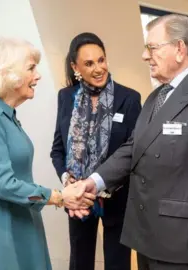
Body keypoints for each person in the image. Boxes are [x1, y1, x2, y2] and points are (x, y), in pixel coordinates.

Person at [75, 14, 188, 269]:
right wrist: (94, 181)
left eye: (152, 48)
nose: (145, 56)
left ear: (179, 49)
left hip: (183, 243)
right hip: (147, 235)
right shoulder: (156, 97)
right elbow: (134, 148)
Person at [0, 36, 95, 270]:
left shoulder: (3, 113)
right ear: (8, 73)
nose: (37, 76)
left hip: (16, 218)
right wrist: (60, 197)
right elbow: (4, 184)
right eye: (31, 68)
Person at [50, 32, 141, 270]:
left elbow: (133, 153)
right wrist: (68, 182)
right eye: (89, 63)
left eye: (101, 60)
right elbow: (57, 150)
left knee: (117, 263)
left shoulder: (129, 98)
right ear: (75, 66)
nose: (98, 68)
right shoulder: (66, 97)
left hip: (116, 196)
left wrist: (97, 182)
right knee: (80, 261)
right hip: (77, 197)